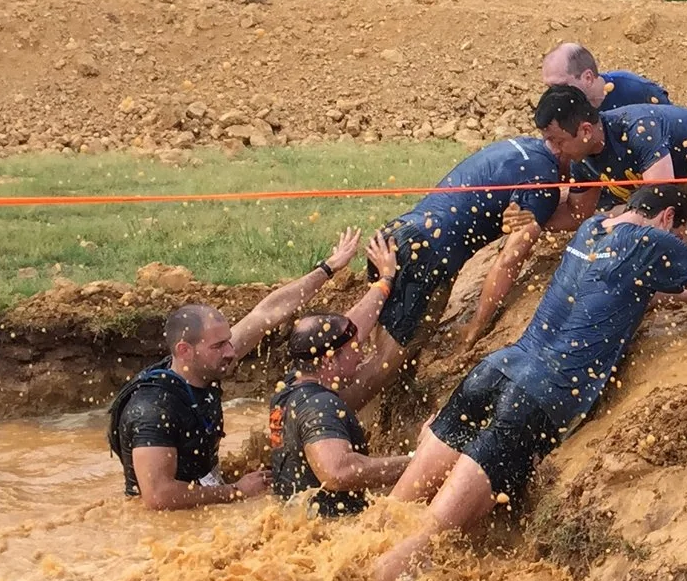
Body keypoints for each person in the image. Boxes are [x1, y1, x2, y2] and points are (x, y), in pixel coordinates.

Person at [372, 186, 687, 581]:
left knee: (395, 509)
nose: (681, 245)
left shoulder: (593, 229)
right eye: (682, 237)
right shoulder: (652, 241)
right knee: (431, 535)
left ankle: (345, 563)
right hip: (537, 398)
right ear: (668, 218)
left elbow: (641, 293)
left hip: (494, 371)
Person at [340, 86, 606, 409]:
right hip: (429, 254)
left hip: (400, 234)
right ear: (565, 147)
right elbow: (510, 258)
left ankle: (360, 422)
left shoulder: (524, 149)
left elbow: (537, 210)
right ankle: (320, 430)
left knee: (390, 354)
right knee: (383, 365)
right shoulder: (544, 180)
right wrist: (476, 327)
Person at [109, 226, 367, 509]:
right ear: (185, 351)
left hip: (202, 492)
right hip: (169, 521)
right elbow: (159, 496)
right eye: (219, 346)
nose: (232, 352)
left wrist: (328, 268)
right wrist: (235, 491)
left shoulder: (203, 365)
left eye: (228, 341)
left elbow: (266, 314)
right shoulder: (152, 409)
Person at [267, 253, 414, 517]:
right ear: (329, 359)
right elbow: (338, 473)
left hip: (294, 520)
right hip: (330, 531)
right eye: (355, 348)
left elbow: (343, 328)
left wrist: (385, 282)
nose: (361, 353)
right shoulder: (319, 405)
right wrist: (416, 461)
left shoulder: (290, 388)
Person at [570, 101, 687, 243]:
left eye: (557, 141)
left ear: (585, 131)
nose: (554, 149)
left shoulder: (638, 128)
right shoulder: (580, 158)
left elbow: (659, 201)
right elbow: (580, 214)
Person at [541, 41, 669, 110]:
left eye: (560, 86)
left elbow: (674, 127)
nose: (553, 94)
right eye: (549, 87)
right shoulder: (562, 108)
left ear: (588, 78)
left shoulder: (636, 91)